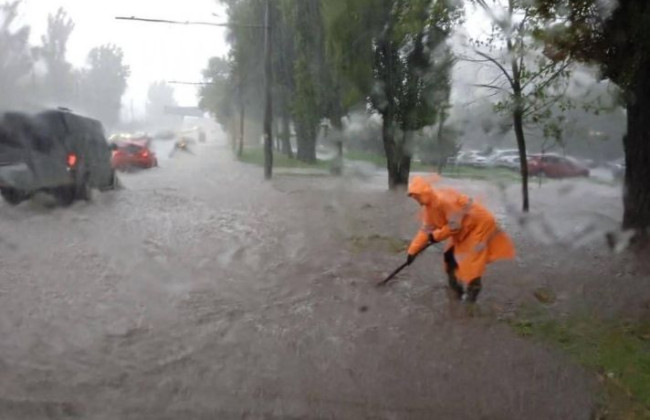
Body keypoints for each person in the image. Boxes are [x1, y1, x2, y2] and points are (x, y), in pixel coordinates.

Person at [405, 176, 515, 303]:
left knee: (472, 261)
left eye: (417, 196)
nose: (416, 199)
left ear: (425, 193)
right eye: (414, 197)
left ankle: (472, 294)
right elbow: (426, 230)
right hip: (463, 230)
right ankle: (456, 292)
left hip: (479, 225)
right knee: (449, 258)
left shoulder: (445, 201)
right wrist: (412, 251)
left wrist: (436, 236)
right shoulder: (429, 208)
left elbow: (454, 226)